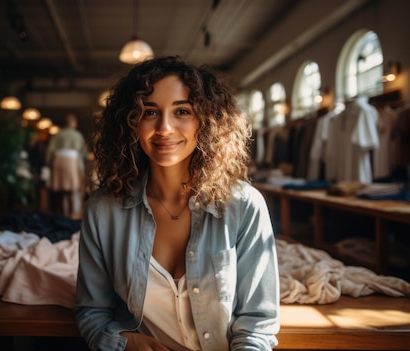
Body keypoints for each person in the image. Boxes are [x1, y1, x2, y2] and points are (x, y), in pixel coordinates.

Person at [75, 56, 280, 350]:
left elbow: (257, 324)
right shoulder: (102, 209)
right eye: (149, 112)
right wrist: (121, 342)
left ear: (207, 120)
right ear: (131, 123)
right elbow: (91, 310)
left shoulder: (244, 205)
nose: (165, 127)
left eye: (182, 111)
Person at [45, 113, 86, 218]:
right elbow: (81, 153)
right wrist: (81, 169)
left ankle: (63, 215)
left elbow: (50, 151)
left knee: (61, 191)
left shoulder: (58, 134)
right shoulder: (77, 135)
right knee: (72, 189)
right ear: (73, 123)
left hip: (58, 162)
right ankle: (72, 214)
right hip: (71, 162)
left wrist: (49, 164)